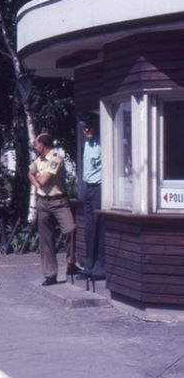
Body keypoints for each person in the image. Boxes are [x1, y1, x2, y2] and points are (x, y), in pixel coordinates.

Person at [28, 133, 76, 286]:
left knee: (70, 229)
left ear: (43, 145)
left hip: (59, 201)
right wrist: (37, 185)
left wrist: (39, 178)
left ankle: (71, 263)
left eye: (36, 144)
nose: (35, 147)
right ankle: (50, 274)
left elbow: (43, 179)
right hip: (43, 202)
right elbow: (30, 173)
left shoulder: (56, 158)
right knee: (46, 239)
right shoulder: (39, 160)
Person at [78, 116, 105, 281]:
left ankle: (99, 269)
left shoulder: (103, 144)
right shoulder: (87, 144)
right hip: (87, 188)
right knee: (88, 229)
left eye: (89, 127)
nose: (86, 130)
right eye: (84, 128)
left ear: (96, 127)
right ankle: (88, 268)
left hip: (99, 188)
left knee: (99, 227)